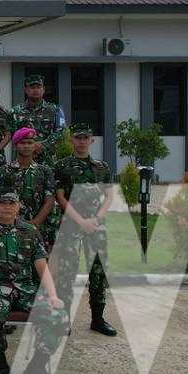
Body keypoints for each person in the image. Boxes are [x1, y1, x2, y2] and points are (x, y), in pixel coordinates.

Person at [0, 188, 68, 374]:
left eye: (11, 203)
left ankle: (37, 367)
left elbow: (41, 265)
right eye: (2, 203)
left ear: (19, 206)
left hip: (25, 287)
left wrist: (52, 295)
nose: (7, 207)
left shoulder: (30, 231)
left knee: (58, 315)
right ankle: (0, 367)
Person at [54, 122, 117, 336]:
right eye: (77, 137)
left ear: (91, 140)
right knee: (67, 272)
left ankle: (98, 319)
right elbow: (60, 197)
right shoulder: (62, 166)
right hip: (71, 225)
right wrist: (81, 221)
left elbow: (109, 196)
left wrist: (97, 218)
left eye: (85, 138)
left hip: (96, 226)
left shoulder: (102, 167)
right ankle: (63, 319)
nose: (81, 141)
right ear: (71, 140)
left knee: (98, 272)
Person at [0, 126, 59, 247]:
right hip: (10, 227)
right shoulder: (4, 171)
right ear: (15, 145)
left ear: (34, 145)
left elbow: (49, 200)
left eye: (30, 143)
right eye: (22, 143)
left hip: (38, 228)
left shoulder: (45, 171)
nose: (26, 146)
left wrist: (34, 223)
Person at [11, 74, 65, 159]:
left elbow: (61, 132)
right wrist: (29, 146)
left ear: (43, 90)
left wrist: (42, 145)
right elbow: (12, 136)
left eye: (38, 87)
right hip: (22, 160)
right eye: (32, 87)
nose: (35, 90)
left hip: (47, 160)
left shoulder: (55, 110)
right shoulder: (15, 112)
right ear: (26, 90)